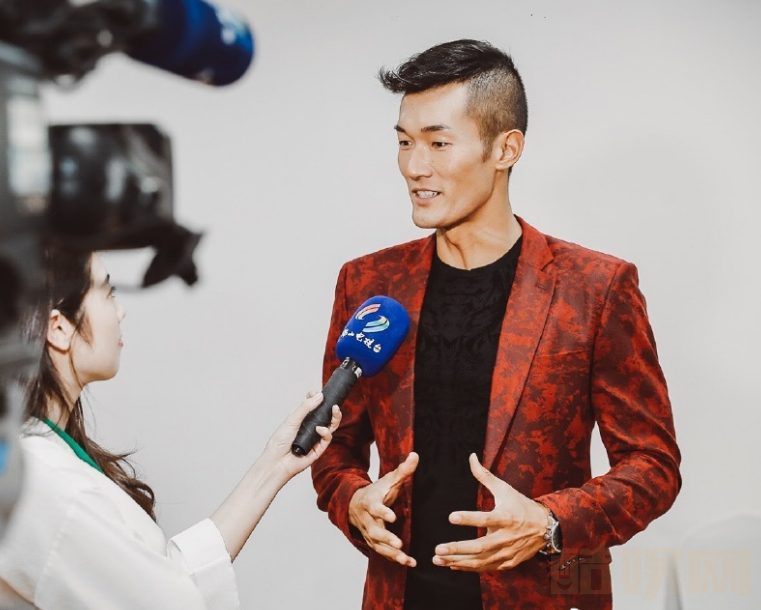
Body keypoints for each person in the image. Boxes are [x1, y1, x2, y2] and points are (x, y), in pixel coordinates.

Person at [311, 39, 681, 610]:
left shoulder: (595, 287)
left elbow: (653, 466)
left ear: (506, 148)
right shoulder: (369, 283)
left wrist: (551, 523)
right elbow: (333, 446)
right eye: (405, 142)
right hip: (400, 596)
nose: (414, 166)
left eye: (438, 142)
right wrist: (352, 501)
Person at [0, 248, 341, 609]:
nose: (120, 310)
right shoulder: (50, 483)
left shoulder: (41, 457)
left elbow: (166, 581)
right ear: (58, 328)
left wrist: (275, 464)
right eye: (107, 292)